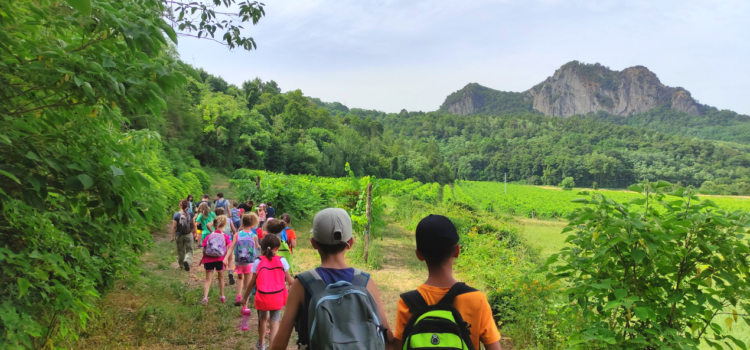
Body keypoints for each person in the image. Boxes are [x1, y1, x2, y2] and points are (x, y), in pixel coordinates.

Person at [270, 208, 393, 350]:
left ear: (313, 243)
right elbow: (387, 338)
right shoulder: (366, 283)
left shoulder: (302, 284)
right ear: (350, 243)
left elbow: (280, 343)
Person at [393, 215, 502, 350]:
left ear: (419, 255)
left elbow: (397, 346)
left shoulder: (407, 303)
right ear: (457, 251)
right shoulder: (476, 299)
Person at [241, 234, 294, 350]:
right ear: (277, 248)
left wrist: (245, 297)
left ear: (262, 247)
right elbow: (290, 281)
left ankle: (261, 344)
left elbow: (252, 283)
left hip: (263, 298)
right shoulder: (282, 260)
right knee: (274, 322)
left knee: (263, 319)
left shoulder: (258, 261)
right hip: (277, 297)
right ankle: (273, 347)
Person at [227, 213, 261, 307]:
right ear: (252, 224)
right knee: (247, 284)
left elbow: (231, 247)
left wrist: (226, 258)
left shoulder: (237, 234)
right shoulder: (254, 236)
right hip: (249, 263)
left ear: (242, 223)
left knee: (240, 278)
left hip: (238, 261)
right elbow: (257, 248)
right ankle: (245, 306)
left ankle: (238, 295)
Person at [200, 215, 232, 305]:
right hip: (220, 260)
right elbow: (227, 249)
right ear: (224, 225)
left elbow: (204, 247)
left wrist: (204, 258)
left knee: (208, 279)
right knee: (221, 278)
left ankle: (205, 297)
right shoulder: (225, 237)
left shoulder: (210, 235)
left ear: (214, 225)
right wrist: (226, 261)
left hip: (209, 259)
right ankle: (222, 296)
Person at [215, 207, 239, 286]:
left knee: (220, 257)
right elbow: (234, 230)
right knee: (230, 258)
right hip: (229, 240)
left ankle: (221, 274)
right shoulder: (228, 220)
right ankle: (230, 271)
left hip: (219, 241)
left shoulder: (216, 220)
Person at [171, 199, 196, 271]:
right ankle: (187, 261)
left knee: (180, 251)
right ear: (187, 206)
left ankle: (181, 265)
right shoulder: (191, 214)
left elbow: (174, 227)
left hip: (179, 235)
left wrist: (172, 236)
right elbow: (194, 225)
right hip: (188, 234)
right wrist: (196, 234)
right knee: (189, 250)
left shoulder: (176, 215)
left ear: (180, 205)